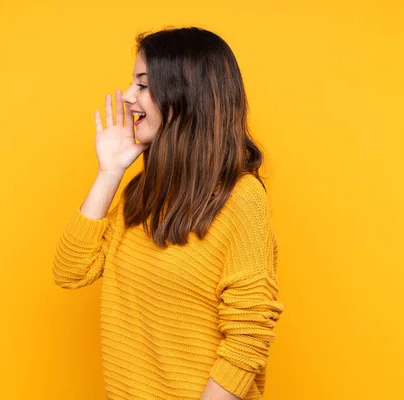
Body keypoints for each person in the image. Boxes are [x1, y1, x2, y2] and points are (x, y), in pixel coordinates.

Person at [53, 26, 285, 400]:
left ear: (186, 96)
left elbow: (249, 335)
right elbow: (70, 271)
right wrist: (109, 173)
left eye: (143, 85)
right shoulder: (141, 197)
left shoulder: (240, 199)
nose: (128, 97)